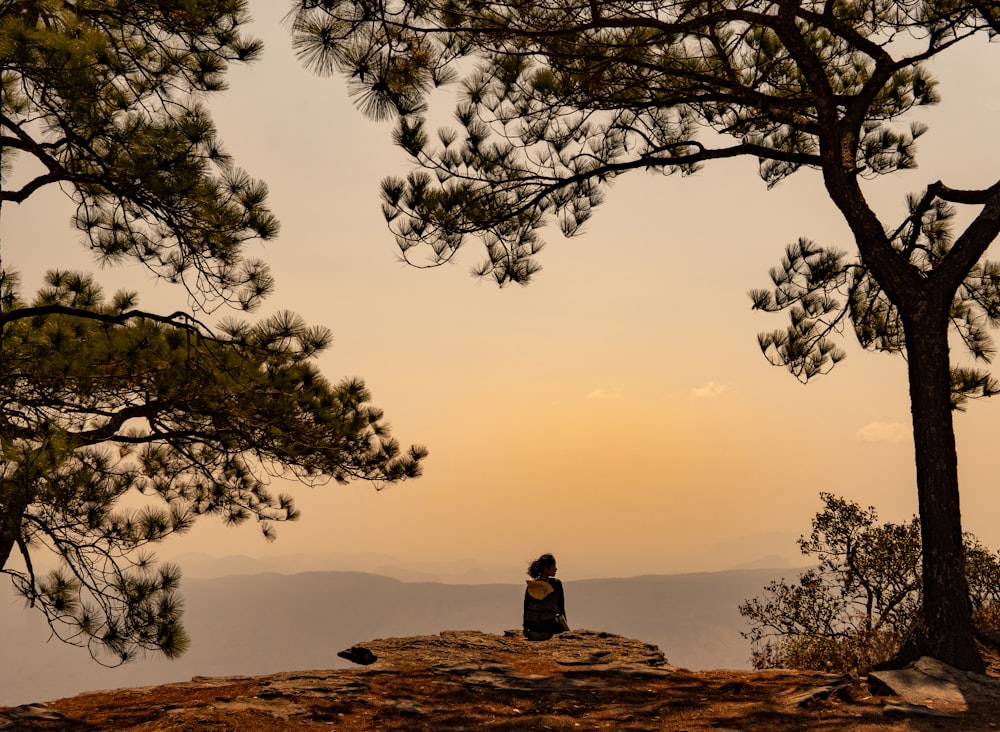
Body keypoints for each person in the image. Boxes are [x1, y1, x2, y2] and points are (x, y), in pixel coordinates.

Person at [523, 553, 569, 640]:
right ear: (546, 568)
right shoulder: (556, 584)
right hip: (548, 625)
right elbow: (561, 607)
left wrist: (525, 627)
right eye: (553, 566)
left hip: (532, 625)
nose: (556, 569)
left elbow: (526, 607)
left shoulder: (531, 586)